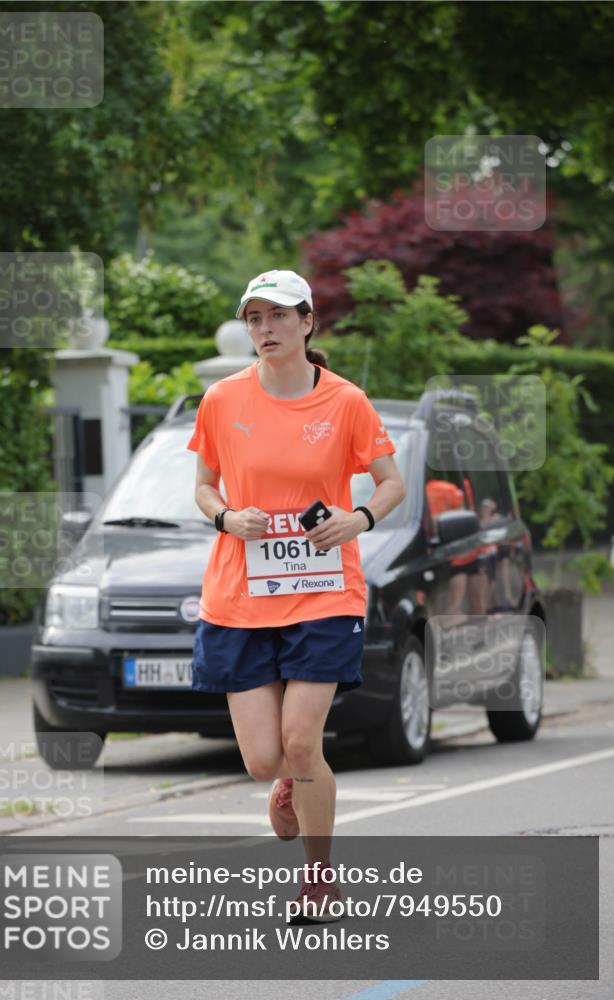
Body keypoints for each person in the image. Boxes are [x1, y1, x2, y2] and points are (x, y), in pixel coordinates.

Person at [187, 269, 405, 923]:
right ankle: (285, 782)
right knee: (262, 760)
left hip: (323, 591)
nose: (265, 329)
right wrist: (227, 517)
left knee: (303, 741)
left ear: (307, 323)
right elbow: (202, 485)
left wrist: (358, 519)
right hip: (239, 595)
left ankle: (317, 880)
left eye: (277, 316)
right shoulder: (222, 400)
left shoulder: (345, 401)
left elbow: (389, 482)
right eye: (253, 318)